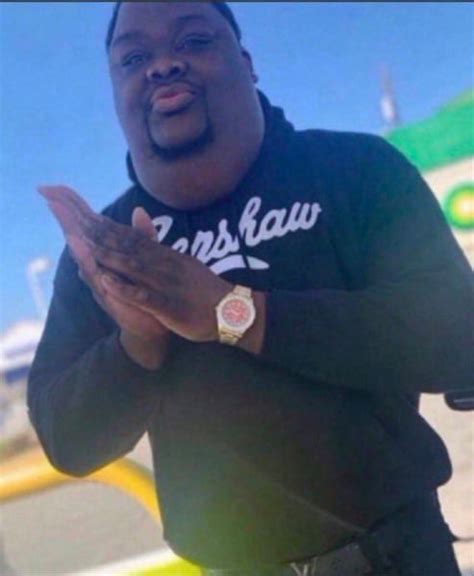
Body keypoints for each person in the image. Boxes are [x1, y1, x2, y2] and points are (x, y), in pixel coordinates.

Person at [28, 3, 473, 575]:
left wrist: (233, 313)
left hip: (399, 554)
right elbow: (67, 442)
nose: (162, 65)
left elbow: (459, 339)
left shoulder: (354, 169)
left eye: (193, 40)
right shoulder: (107, 250)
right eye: (133, 58)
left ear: (246, 61)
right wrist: (138, 344)